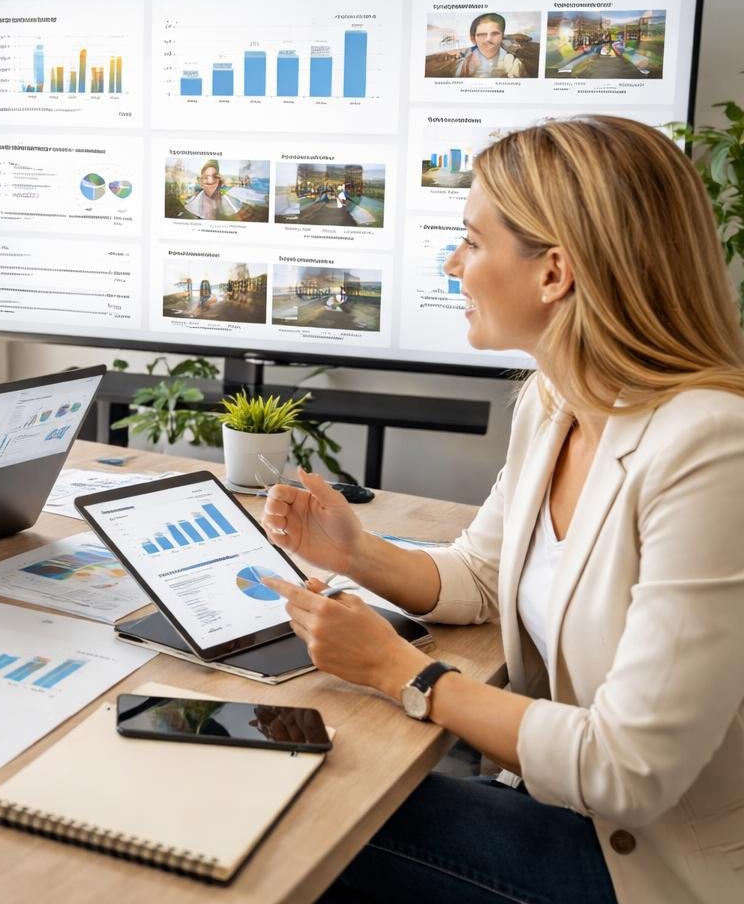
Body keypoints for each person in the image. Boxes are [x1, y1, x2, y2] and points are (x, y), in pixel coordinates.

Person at [260, 116, 744, 903]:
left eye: (472, 243)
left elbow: (629, 772)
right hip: (554, 806)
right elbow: (486, 576)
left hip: (645, 868)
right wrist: (357, 552)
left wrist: (400, 671)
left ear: (554, 273)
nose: (454, 265)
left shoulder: (712, 448)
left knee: (309, 819)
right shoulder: (555, 402)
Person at [454, 12, 526, 79]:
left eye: (495, 33)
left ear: (502, 36)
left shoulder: (512, 62)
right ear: (474, 38)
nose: (488, 39)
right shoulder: (466, 62)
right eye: (482, 34)